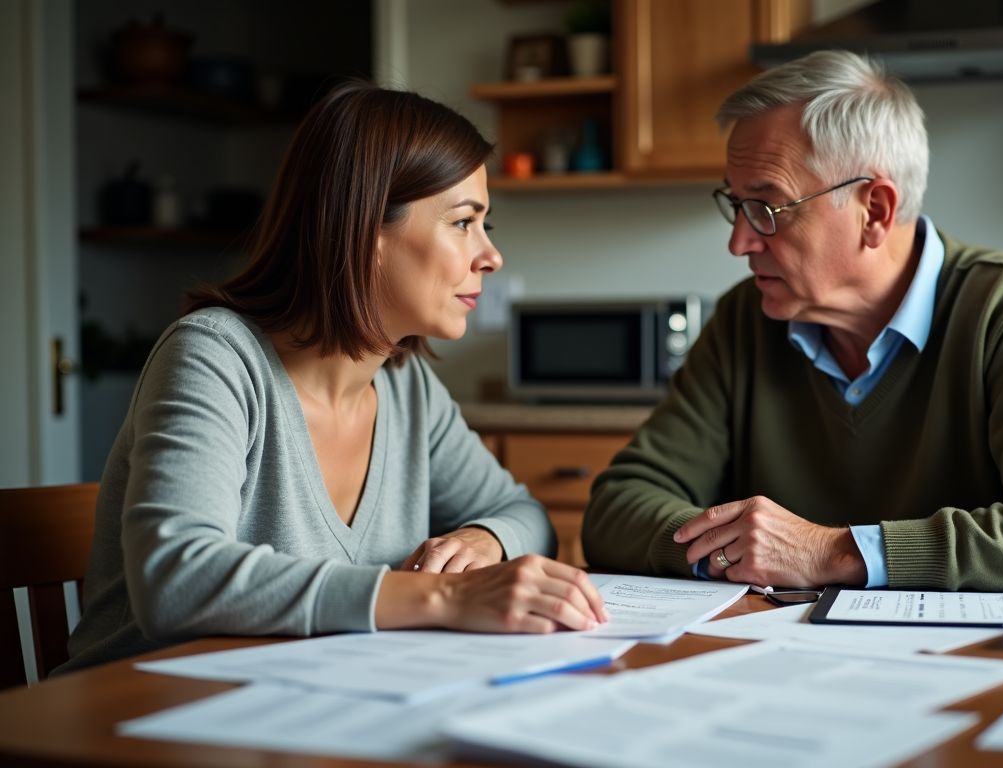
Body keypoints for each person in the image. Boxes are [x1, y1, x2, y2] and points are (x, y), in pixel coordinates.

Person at [61, 82, 606, 674]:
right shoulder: (213, 357)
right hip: (133, 718)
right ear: (367, 230)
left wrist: (483, 539)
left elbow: (524, 514)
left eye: (486, 225)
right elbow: (176, 579)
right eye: (462, 223)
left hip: (308, 700)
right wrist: (446, 596)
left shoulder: (407, 387)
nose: (490, 256)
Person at [581, 51, 1003, 595]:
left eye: (767, 208)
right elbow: (618, 506)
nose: (739, 242)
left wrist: (828, 552)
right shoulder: (742, 322)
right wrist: (737, 550)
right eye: (736, 204)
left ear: (875, 210)